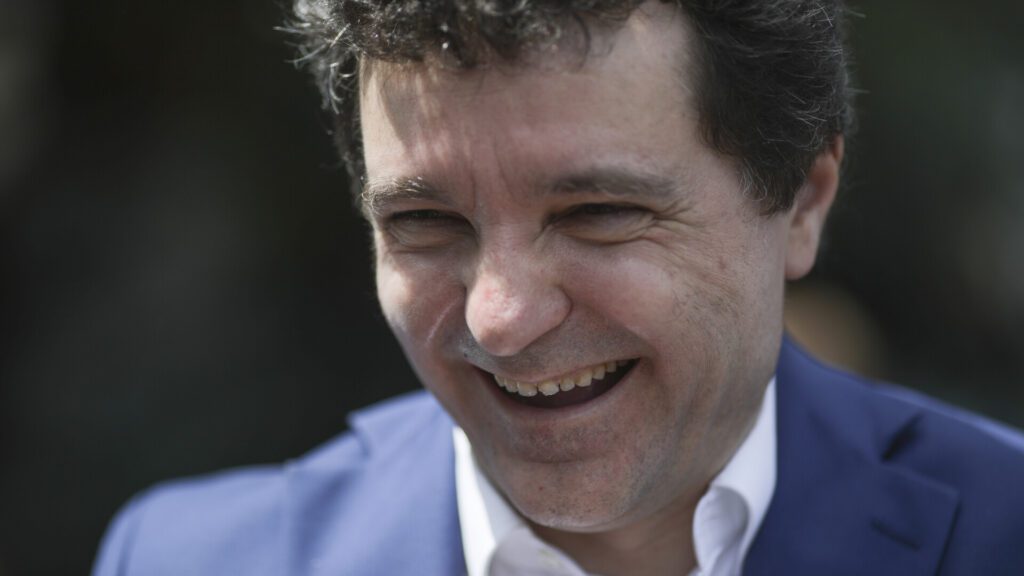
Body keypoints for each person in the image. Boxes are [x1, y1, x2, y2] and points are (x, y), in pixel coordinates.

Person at [93, 1, 1024, 575]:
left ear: (803, 203)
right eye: (425, 223)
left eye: (597, 213)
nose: (501, 320)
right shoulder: (188, 561)